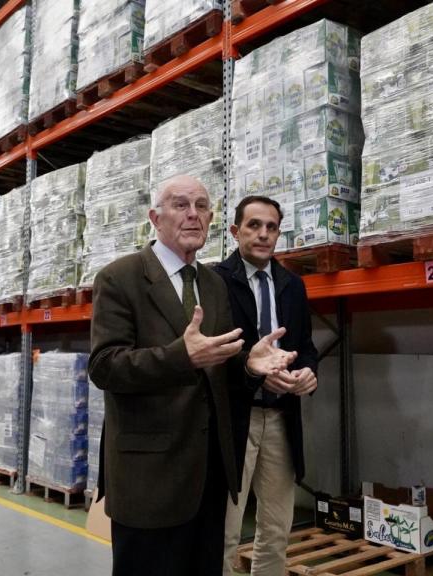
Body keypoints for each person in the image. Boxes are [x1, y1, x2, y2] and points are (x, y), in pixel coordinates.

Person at [89, 176, 298, 576]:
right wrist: (179, 356)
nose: (193, 215)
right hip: (149, 475)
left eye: (202, 206)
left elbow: (214, 364)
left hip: (208, 476)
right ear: (155, 217)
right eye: (181, 205)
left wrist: (248, 365)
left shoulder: (213, 283)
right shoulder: (121, 278)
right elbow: (105, 365)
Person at [218, 196, 319, 576]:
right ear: (235, 231)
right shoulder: (216, 282)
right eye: (254, 225)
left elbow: (305, 348)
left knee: (276, 528)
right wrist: (251, 366)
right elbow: (209, 355)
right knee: (226, 530)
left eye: (271, 227)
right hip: (236, 419)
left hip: (281, 417)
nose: (263, 234)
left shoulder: (292, 285)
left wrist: (308, 374)